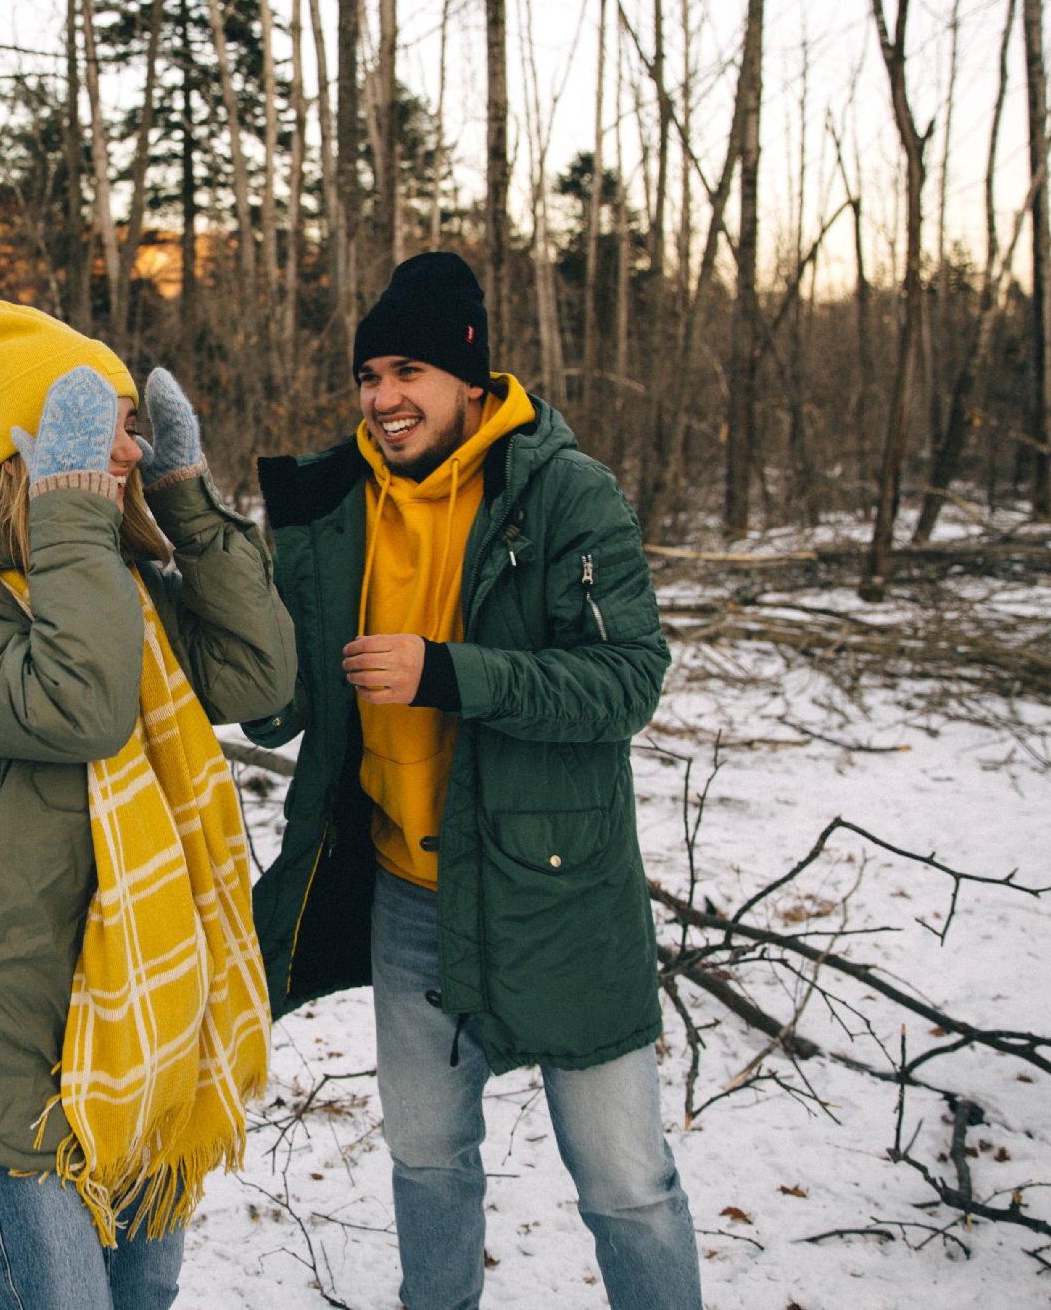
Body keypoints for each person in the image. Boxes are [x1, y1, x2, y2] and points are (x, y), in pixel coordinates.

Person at [245, 252, 699, 1310]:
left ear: (468, 378)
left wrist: (443, 672)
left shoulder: (561, 493)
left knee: (626, 1183)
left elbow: (625, 682)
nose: (382, 399)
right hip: (409, 896)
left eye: (405, 371)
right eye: (366, 376)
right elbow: (282, 696)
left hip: (557, 892)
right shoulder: (336, 504)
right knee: (425, 1161)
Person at [0, 301, 296, 1310]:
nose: (132, 443)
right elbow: (83, 710)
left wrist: (186, 502)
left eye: (129, 424)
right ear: (31, 449)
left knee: (141, 1296)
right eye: (104, 425)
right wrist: (77, 511)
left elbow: (257, 679)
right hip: (4, 1037)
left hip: (141, 1028)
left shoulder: (110, 588)